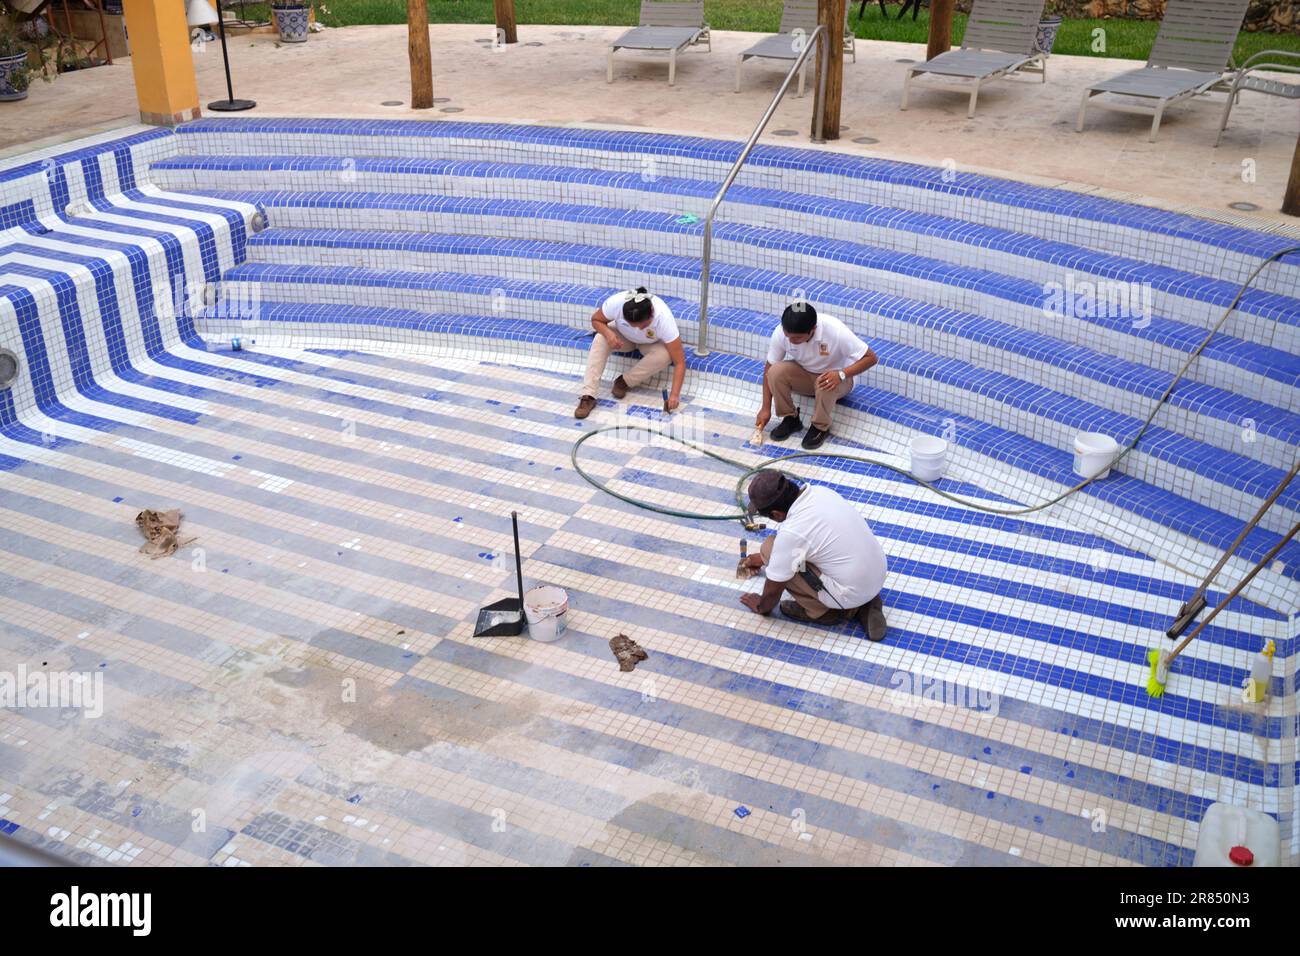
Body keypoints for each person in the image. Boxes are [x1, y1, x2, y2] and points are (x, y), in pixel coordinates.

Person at [739, 470, 888, 641]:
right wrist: (766, 560)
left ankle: (824, 611)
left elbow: (773, 592)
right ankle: (866, 601)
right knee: (791, 553)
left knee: (769, 548)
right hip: (877, 572)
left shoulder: (792, 533)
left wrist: (761, 607)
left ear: (776, 514)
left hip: (850, 592)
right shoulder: (820, 492)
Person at [756, 302, 878, 450]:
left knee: (825, 381)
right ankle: (791, 418)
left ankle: (820, 427)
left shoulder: (835, 330)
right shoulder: (782, 333)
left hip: (839, 379)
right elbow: (769, 367)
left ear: (813, 329)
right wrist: (765, 408)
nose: (790, 341)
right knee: (775, 372)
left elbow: (871, 358)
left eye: (796, 338)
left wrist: (841, 374)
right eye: (788, 336)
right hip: (806, 375)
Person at [575, 287, 686, 419]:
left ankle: (624, 382)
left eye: (643, 326)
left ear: (651, 313)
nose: (638, 329)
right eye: (632, 325)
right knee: (600, 337)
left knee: (666, 355)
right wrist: (609, 334)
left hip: (650, 344)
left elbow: (679, 362)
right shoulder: (616, 303)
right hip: (623, 339)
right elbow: (596, 320)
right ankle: (588, 395)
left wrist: (674, 395)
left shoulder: (664, 318)